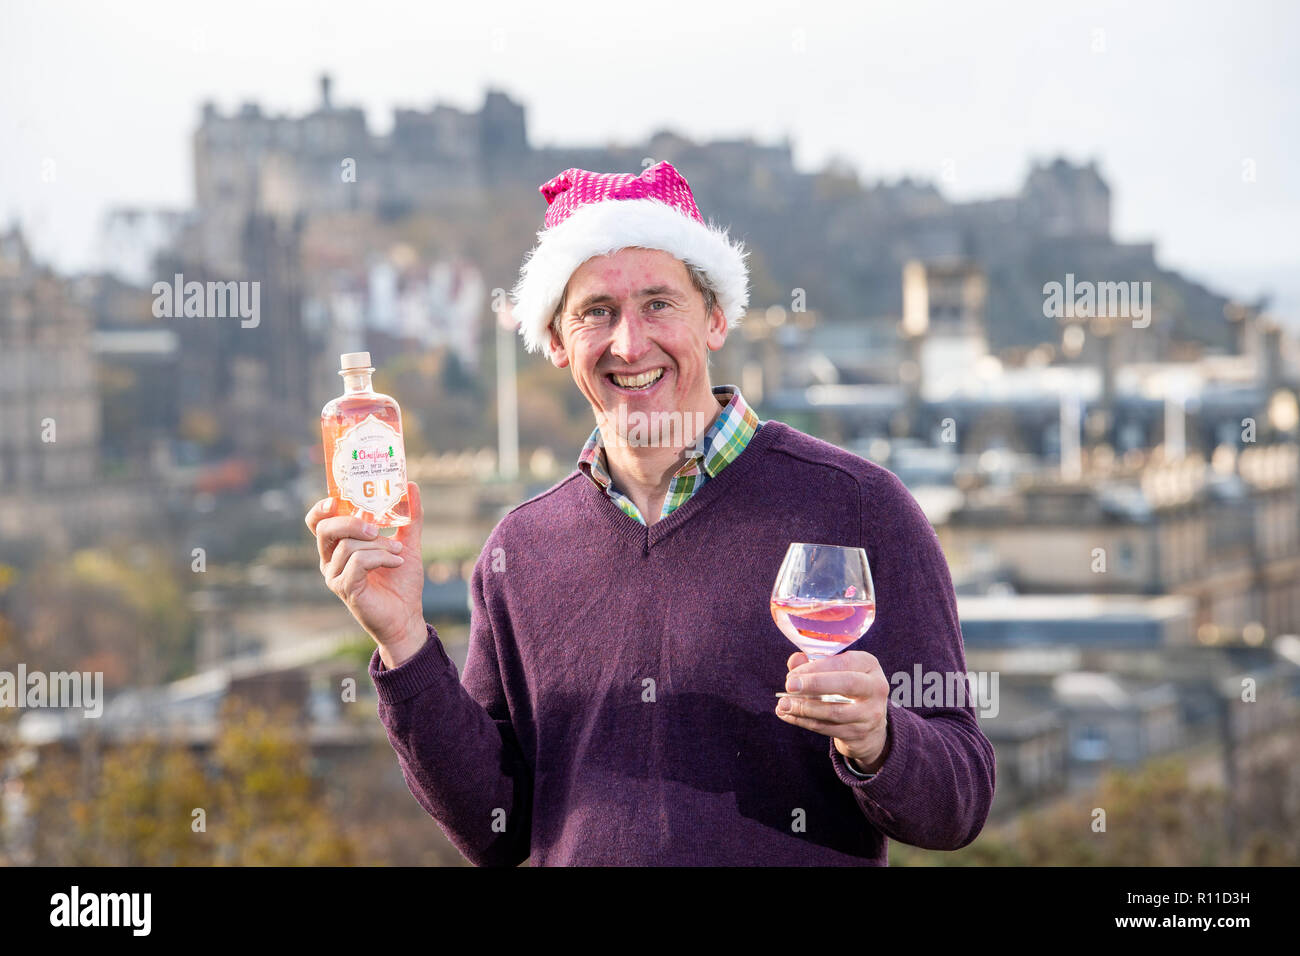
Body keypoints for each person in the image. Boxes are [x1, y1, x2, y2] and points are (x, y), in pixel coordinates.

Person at [305, 161, 995, 865]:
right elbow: (497, 829)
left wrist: (880, 740)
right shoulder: (520, 550)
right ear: (555, 342)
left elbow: (960, 802)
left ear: (717, 318)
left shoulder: (859, 507)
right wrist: (403, 641)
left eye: (659, 304)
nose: (629, 344)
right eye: (595, 313)